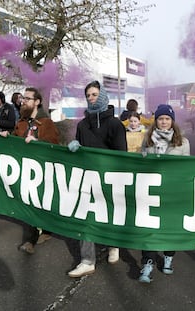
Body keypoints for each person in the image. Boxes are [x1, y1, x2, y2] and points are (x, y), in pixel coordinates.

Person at [67, 80, 127, 278]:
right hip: (87, 178)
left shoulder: (115, 124)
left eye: (94, 94)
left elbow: (121, 155)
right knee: (85, 218)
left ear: (102, 96)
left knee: (109, 215)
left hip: (109, 179)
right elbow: (80, 150)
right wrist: (75, 147)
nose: (91, 98)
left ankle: (113, 245)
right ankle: (87, 260)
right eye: (88, 96)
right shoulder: (83, 124)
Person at [0, 87, 60, 254]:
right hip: (25, 170)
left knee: (42, 203)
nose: (23, 101)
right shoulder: (21, 122)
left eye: (27, 98)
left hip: (42, 171)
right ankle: (31, 240)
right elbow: (16, 141)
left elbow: (54, 144)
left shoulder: (46, 123)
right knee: (29, 203)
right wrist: (7, 137)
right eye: (23, 98)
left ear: (37, 102)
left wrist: (37, 141)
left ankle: (46, 230)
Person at [138, 104, 190, 283]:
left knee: (170, 226)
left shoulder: (182, 142)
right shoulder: (148, 140)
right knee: (149, 228)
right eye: (161, 118)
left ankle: (168, 256)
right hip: (152, 191)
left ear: (172, 121)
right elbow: (141, 162)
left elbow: (187, 169)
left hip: (172, 191)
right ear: (156, 120)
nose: (164, 122)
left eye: (167, 119)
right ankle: (148, 263)